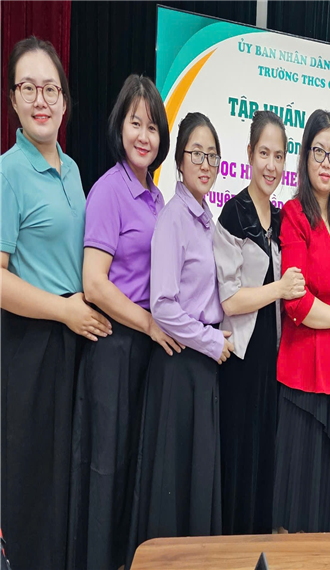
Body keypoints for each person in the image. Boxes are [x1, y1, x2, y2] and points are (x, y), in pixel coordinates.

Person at [0, 36, 112, 570]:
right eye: (29, 88)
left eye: (51, 89)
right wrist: (64, 309)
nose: (40, 100)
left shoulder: (73, 169)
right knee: (33, 487)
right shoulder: (8, 172)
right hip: (32, 345)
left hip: (73, 343)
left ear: (65, 101)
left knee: (67, 480)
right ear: (13, 99)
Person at [67, 74, 176, 570]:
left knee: (134, 469)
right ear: (120, 126)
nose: (143, 136)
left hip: (145, 353)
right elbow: (94, 283)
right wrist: (149, 323)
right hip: (114, 346)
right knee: (105, 473)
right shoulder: (109, 190)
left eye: (152, 127)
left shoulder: (157, 196)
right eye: (136, 123)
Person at [128, 112, 234, 563]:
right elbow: (164, 305)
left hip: (200, 366)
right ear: (180, 160)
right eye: (197, 154)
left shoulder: (206, 217)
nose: (205, 165)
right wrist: (211, 341)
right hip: (178, 367)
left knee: (196, 479)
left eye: (212, 156)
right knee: (173, 482)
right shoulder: (174, 217)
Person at [214, 110, 305, 535]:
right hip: (241, 357)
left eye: (279, 156)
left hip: (275, 357)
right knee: (239, 453)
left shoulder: (284, 220)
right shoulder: (234, 214)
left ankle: (259, 546)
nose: (271, 165)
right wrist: (278, 289)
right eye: (264, 153)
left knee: (267, 453)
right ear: (249, 153)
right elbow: (230, 300)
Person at [273, 109, 330, 533]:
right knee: (297, 498)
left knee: (325, 500)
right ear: (305, 157)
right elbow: (296, 301)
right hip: (302, 369)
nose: (326, 163)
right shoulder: (293, 214)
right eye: (318, 152)